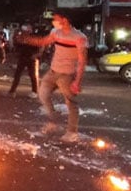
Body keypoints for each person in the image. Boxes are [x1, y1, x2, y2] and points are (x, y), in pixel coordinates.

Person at [20, 11, 87, 143]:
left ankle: (72, 132)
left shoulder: (79, 37)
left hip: (67, 75)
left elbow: (82, 61)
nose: (53, 21)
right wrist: (27, 39)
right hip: (53, 72)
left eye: (56, 19)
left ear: (65, 20)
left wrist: (77, 81)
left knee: (71, 103)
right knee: (43, 95)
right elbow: (43, 41)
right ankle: (54, 122)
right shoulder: (56, 32)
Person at [8, 23, 41, 98]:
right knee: (17, 75)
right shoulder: (21, 37)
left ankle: (34, 91)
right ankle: (12, 91)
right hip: (23, 58)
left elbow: (39, 48)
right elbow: (16, 45)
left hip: (31, 58)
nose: (26, 30)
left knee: (32, 75)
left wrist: (36, 55)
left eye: (28, 29)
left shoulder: (34, 37)